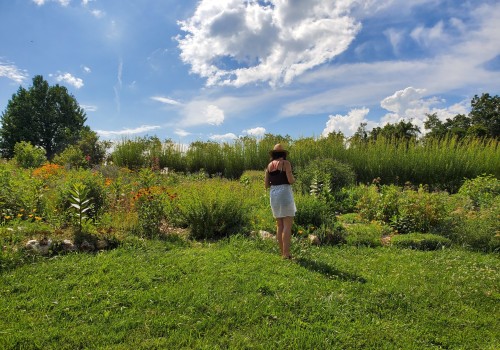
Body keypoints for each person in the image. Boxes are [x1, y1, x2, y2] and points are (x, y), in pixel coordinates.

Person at [265, 143, 296, 259]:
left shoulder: (269, 166)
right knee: (287, 225)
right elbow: (290, 180)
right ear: (283, 154)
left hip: (273, 194)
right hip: (285, 193)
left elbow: (266, 184)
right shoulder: (286, 163)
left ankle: (282, 252)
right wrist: (293, 179)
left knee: (279, 225)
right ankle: (286, 254)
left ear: (273, 154)